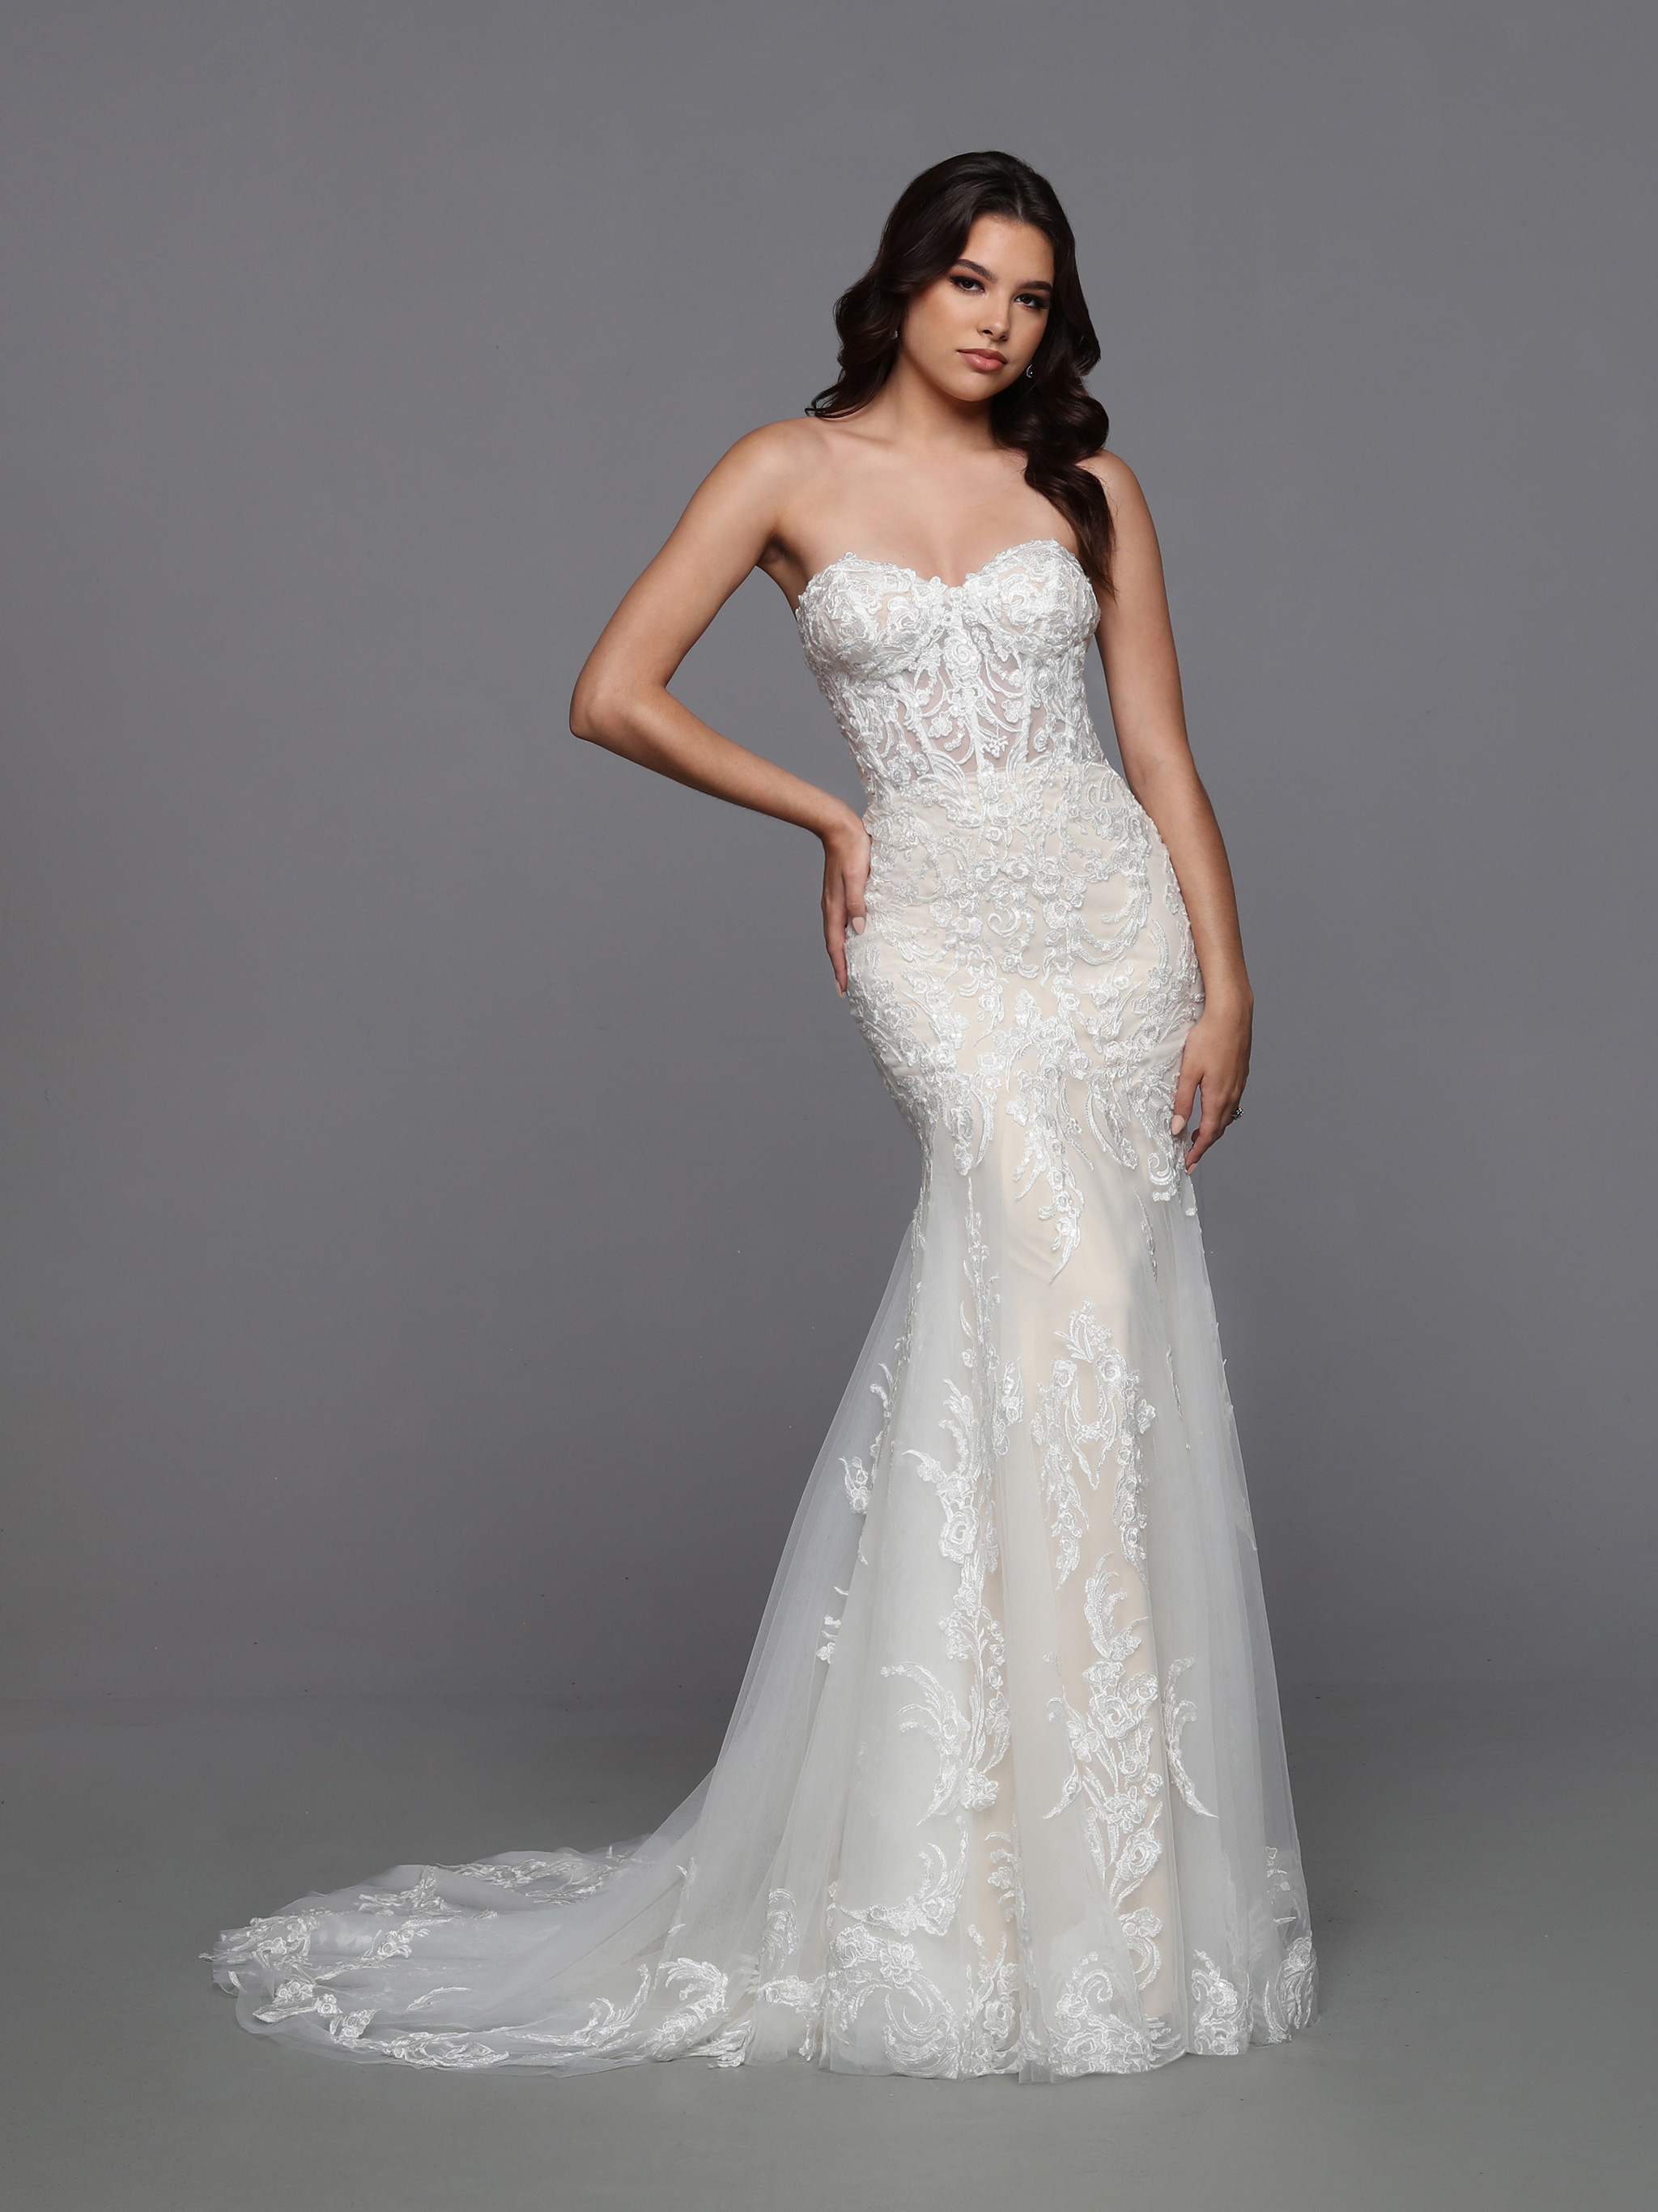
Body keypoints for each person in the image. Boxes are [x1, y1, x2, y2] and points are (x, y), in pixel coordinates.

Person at [208, 150, 1317, 2080]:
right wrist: (824, 813)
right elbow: (611, 691)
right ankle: (979, 1877)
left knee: (1087, 1343)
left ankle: (1098, 1885)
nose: (997, 322)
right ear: (901, 282)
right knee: (1042, 1310)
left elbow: (1158, 748)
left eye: (1031, 297)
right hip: (939, 937)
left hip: (1109, 928)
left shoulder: (1088, 490)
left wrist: (1227, 981)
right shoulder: (783, 470)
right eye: (968, 282)